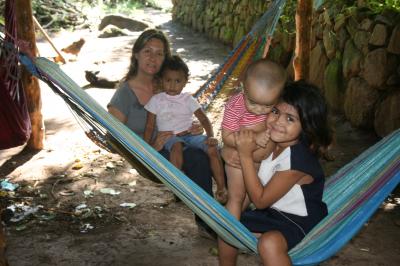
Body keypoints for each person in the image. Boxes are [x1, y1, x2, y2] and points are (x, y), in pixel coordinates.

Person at [107, 29, 215, 237]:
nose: (153, 58)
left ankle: (233, 214)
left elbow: (183, 111)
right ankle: (210, 221)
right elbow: (113, 137)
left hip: (180, 139)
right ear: (136, 54)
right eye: (147, 51)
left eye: (159, 53)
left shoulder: (168, 83)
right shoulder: (124, 94)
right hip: (150, 153)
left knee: (217, 151)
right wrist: (149, 148)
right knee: (198, 159)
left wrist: (194, 126)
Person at [218, 80, 333, 266]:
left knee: (269, 243)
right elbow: (240, 156)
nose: (278, 122)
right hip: (273, 214)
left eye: (290, 119)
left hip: (300, 221)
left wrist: (245, 155)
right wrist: (228, 152)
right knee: (226, 224)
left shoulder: (298, 160)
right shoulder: (272, 141)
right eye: (275, 112)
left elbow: (261, 200)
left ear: (307, 125)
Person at [143, 55, 228, 204]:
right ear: (162, 80)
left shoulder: (188, 99)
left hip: (190, 134)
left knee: (212, 148)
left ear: (185, 82)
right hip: (169, 137)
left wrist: (210, 136)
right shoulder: (156, 100)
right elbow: (149, 126)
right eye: (168, 80)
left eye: (178, 81)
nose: (173, 85)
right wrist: (144, 147)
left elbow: (203, 119)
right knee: (177, 147)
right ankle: (178, 186)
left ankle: (221, 188)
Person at [221, 59, 286, 221]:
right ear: (244, 88)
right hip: (238, 160)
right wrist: (254, 139)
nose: (258, 110)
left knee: (249, 198)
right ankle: (227, 237)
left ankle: (229, 229)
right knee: (237, 197)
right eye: (252, 103)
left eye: (266, 106)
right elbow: (227, 136)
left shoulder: (280, 105)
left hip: (262, 166)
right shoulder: (235, 105)